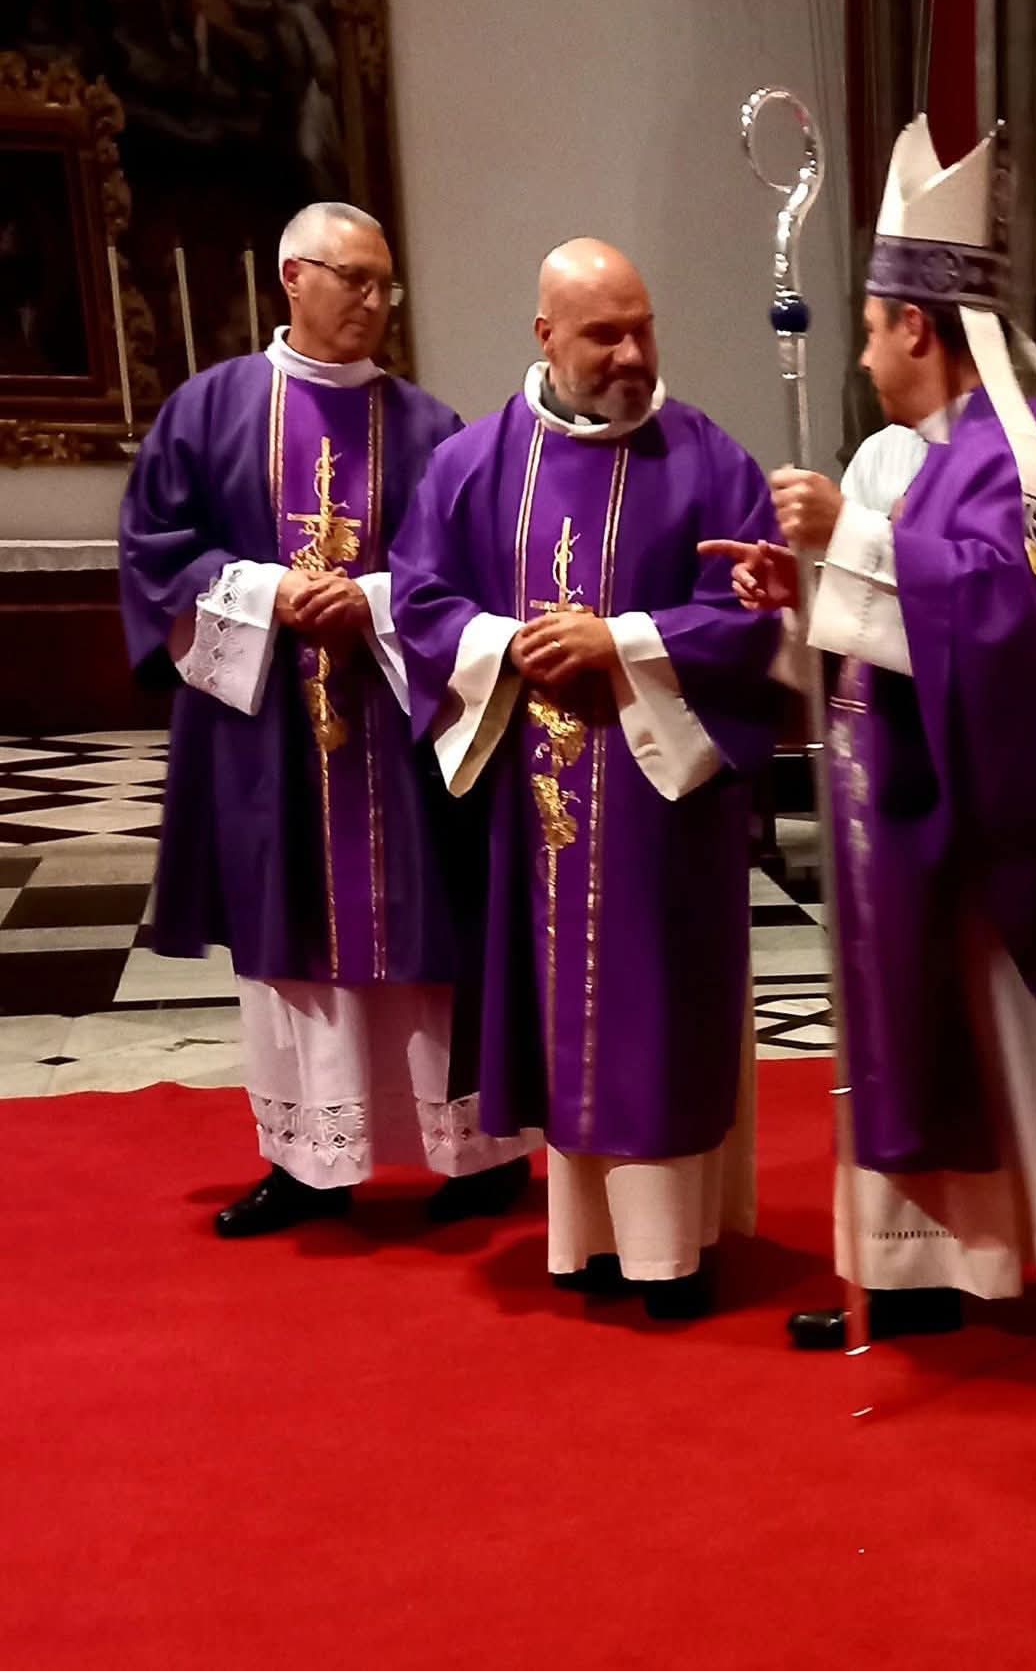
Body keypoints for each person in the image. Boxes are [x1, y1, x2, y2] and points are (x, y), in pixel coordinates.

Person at [705, 116, 1036, 1350]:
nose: (862, 357)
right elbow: (906, 612)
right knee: (922, 1034)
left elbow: (1023, 624)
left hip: (1007, 823)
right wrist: (802, 591)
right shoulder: (933, 453)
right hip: (912, 806)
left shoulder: (1033, 454)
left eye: (870, 330)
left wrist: (848, 544)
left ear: (917, 326)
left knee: (1027, 1044)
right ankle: (919, 1271)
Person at [119, 201, 536, 1237]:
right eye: (355, 279)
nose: (375, 301)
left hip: (398, 738)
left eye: (386, 283)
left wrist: (377, 601)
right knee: (290, 936)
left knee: (428, 932)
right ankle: (311, 1162)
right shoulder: (208, 411)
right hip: (267, 736)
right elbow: (155, 551)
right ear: (293, 277)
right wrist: (270, 594)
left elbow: (476, 571)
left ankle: (475, 1155)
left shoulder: (430, 428)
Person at [390, 239, 785, 1321]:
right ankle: (589, 1241)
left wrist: (623, 641)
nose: (631, 354)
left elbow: (752, 619)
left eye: (641, 327)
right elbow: (417, 602)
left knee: (661, 1016)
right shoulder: (472, 466)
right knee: (562, 1014)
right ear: (546, 336)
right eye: (604, 334)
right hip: (539, 810)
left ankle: (675, 1252)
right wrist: (503, 646)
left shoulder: (712, 462)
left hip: (664, 816)